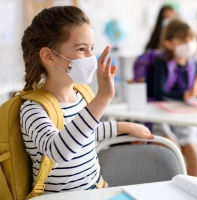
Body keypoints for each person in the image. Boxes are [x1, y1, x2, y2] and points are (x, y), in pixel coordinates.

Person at [20, 6, 154, 194]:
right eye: (81, 49)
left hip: (95, 191)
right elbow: (59, 151)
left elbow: (85, 133)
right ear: (49, 56)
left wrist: (125, 127)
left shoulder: (80, 95)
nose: (91, 57)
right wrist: (103, 98)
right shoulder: (33, 109)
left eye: (91, 48)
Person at [152, 19, 197, 176]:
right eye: (183, 40)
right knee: (174, 149)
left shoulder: (193, 64)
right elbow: (159, 92)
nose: (189, 43)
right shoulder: (162, 64)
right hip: (161, 118)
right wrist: (184, 95)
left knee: (192, 148)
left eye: (190, 39)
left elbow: (193, 92)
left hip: (184, 118)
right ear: (168, 43)